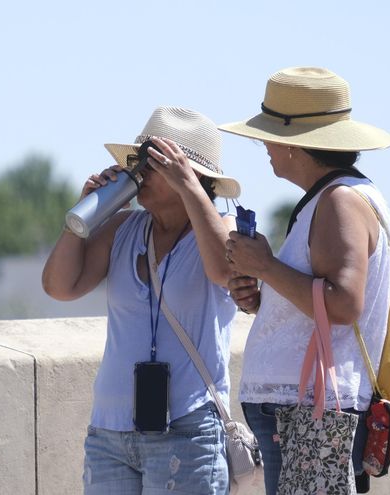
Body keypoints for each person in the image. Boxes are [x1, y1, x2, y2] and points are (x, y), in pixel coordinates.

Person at [42, 106, 241, 495]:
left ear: (191, 174)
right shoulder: (123, 229)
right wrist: (82, 216)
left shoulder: (224, 229)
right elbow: (60, 287)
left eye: (154, 163)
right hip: (110, 433)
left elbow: (223, 270)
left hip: (186, 429)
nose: (139, 172)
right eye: (138, 161)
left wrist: (190, 189)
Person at [218, 67, 390, 494]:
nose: (264, 145)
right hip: (304, 409)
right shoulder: (338, 196)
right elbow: (323, 298)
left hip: (308, 411)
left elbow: (343, 304)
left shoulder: (340, 201)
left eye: (267, 136)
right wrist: (265, 298)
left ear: (294, 143)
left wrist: (265, 267)